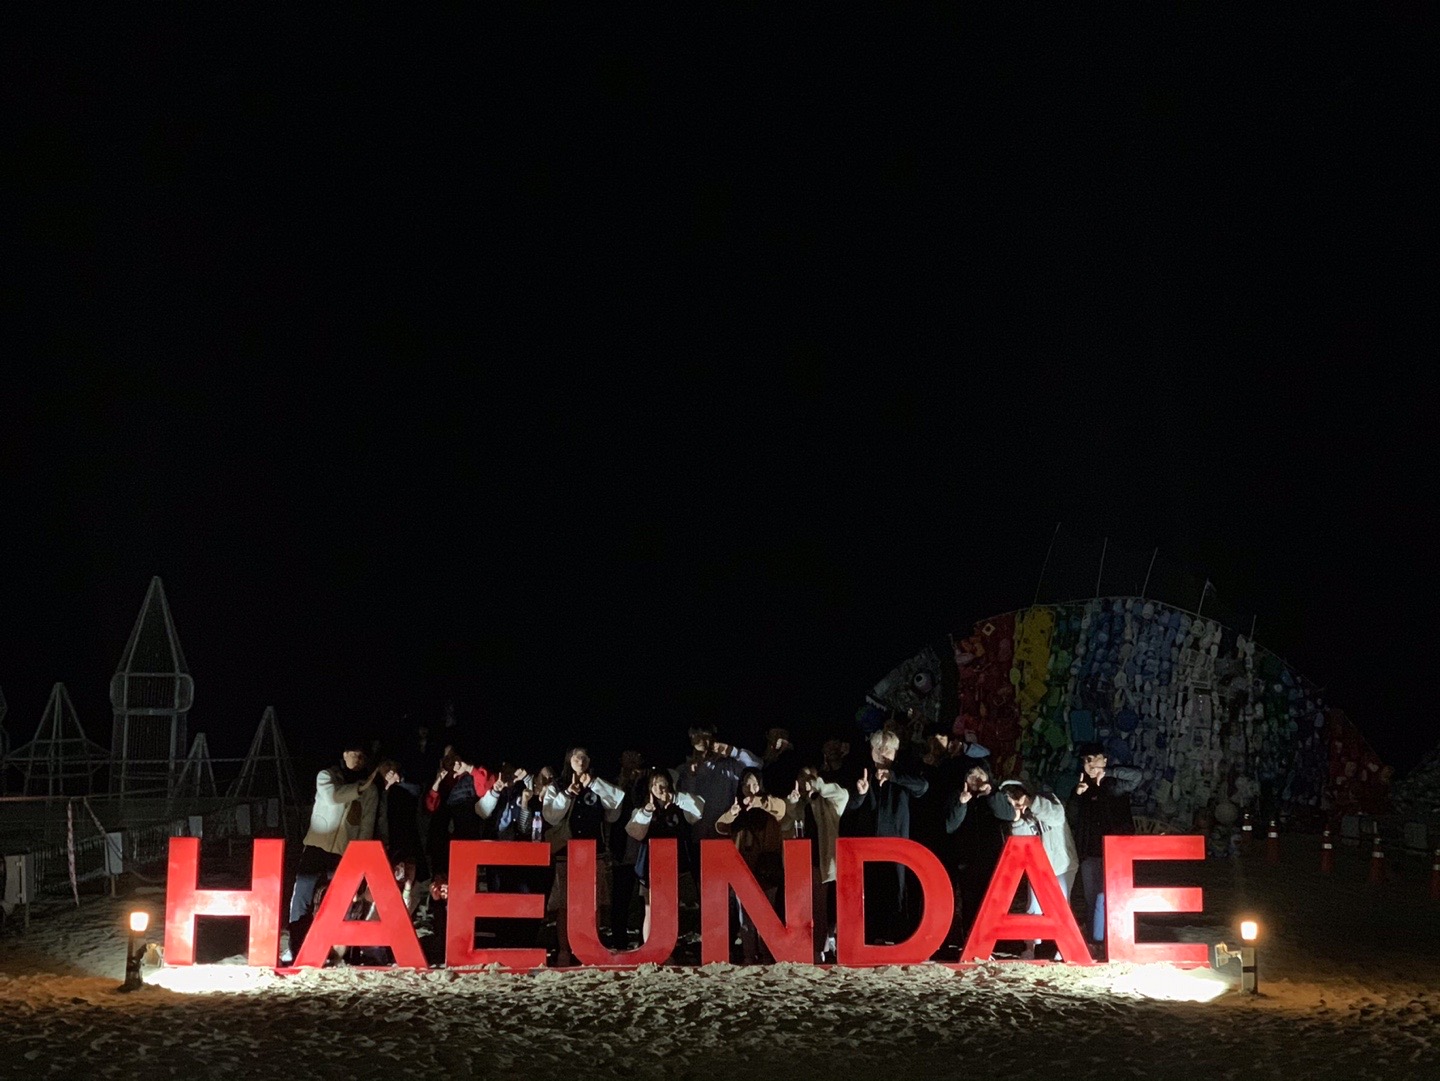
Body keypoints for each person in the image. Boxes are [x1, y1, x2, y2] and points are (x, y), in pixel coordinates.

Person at [282, 737, 379, 964]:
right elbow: (333, 796)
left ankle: (333, 951)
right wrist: (360, 788)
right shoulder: (326, 776)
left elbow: (366, 826)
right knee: (302, 898)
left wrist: (360, 858)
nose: (357, 759)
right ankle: (295, 947)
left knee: (340, 902)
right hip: (316, 848)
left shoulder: (370, 790)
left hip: (343, 853)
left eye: (361, 756)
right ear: (343, 754)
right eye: (353, 753)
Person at [844, 728, 929, 943]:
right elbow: (849, 807)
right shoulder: (862, 773)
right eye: (879, 749)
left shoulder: (903, 772)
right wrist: (860, 794)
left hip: (896, 844)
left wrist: (894, 777)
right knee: (870, 890)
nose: (883, 754)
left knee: (895, 890)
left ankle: (896, 938)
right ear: (871, 750)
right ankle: (871, 938)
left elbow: (922, 787)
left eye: (888, 750)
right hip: (868, 844)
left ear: (895, 752)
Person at [542, 746, 624, 966]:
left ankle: (591, 948)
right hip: (566, 851)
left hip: (593, 851)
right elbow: (550, 816)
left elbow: (614, 811)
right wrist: (567, 794)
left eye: (585, 757)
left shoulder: (598, 784)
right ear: (569, 760)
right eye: (576, 757)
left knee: (593, 902)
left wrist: (595, 784)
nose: (581, 761)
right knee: (564, 904)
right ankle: (564, 950)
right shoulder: (557, 785)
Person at [1067, 743, 1143, 950]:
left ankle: (1107, 939)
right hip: (1090, 852)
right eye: (1086, 760)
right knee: (1092, 898)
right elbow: (1072, 818)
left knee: (1108, 896)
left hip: (1116, 852)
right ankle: (1095, 940)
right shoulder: (1081, 788)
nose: (1090, 764)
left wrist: (1108, 773)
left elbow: (1137, 776)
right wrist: (1076, 796)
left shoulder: (1115, 784)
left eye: (1094, 758)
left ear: (1105, 760)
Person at [995, 779, 1078, 960]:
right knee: (1034, 906)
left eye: (1016, 793)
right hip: (1038, 867)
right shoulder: (1019, 816)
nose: (1014, 798)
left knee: (1062, 907)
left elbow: (1057, 816)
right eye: (1009, 797)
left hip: (1062, 863)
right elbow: (1023, 842)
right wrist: (1016, 819)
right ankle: (1030, 947)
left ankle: (1064, 946)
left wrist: (1030, 802)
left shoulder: (1048, 798)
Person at [626, 769, 704, 953]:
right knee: (650, 908)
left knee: (671, 907)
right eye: (654, 785)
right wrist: (647, 812)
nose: (659, 789)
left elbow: (699, 809)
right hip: (649, 865)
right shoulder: (642, 809)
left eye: (663, 784)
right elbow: (635, 832)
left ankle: (668, 949)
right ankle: (649, 949)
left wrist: (676, 799)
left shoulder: (680, 808)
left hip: (675, 864)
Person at [715, 767, 786, 963]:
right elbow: (720, 826)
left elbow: (781, 809)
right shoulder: (738, 808)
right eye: (746, 784)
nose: (750, 788)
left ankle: (767, 953)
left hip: (766, 867)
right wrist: (732, 813)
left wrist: (759, 803)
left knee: (767, 912)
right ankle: (749, 954)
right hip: (743, 868)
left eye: (754, 783)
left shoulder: (770, 803)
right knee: (745, 915)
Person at [783, 765, 849, 961]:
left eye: (809, 777)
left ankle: (837, 944)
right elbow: (785, 823)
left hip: (828, 861)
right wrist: (791, 804)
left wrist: (818, 786)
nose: (805, 782)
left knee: (837, 906)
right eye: (801, 778)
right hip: (808, 862)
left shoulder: (827, 802)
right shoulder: (799, 804)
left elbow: (843, 795)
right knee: (816, 908)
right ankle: (819, 949)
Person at [944, 761, 1008, 949]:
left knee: (992, 900)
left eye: (980, 776)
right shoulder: (958, 796)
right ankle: (970, 941)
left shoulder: (996, 795)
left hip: (992, 858)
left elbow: (1008, 814)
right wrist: (961, 804)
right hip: (967, 859)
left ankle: (992, 942)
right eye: (972, 776)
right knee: (970, 901)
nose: (976, 780)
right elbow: (950, 825)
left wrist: (991, 795)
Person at [676, 725, 761, 844]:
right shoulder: (684, 770)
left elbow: (757, 767)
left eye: (706, 737)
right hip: (697, 837)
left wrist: (733, 751)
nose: (702, 741)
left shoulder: (728, 765)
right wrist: (691, 777)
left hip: (724, 833)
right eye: (697, 737)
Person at [607, 750, 650, 950]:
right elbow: (610, 816)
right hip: (622, 849)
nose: (632, 761)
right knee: (620, 898)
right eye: (628, 756)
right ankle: (619, 939)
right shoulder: (614, 783)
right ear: (621, 759)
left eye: (636, 756)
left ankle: (645, 939)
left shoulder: (648, 782)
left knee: (645, 899)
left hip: (643, 850)